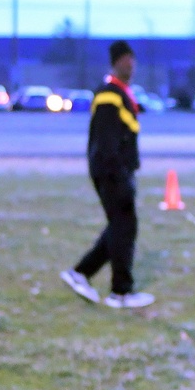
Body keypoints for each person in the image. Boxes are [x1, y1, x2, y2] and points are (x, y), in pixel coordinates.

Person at [60, 40, 154, 309]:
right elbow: (106, 141)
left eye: (133, 60)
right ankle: (119, 291)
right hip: (112, 172)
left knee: (121, 226)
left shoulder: (123, 93)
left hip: (118, 171)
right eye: (126, 60)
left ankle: (82, 274)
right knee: (124, 225)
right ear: (115, 62)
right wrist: (118, 172)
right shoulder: (108, 94)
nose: (131, 65)